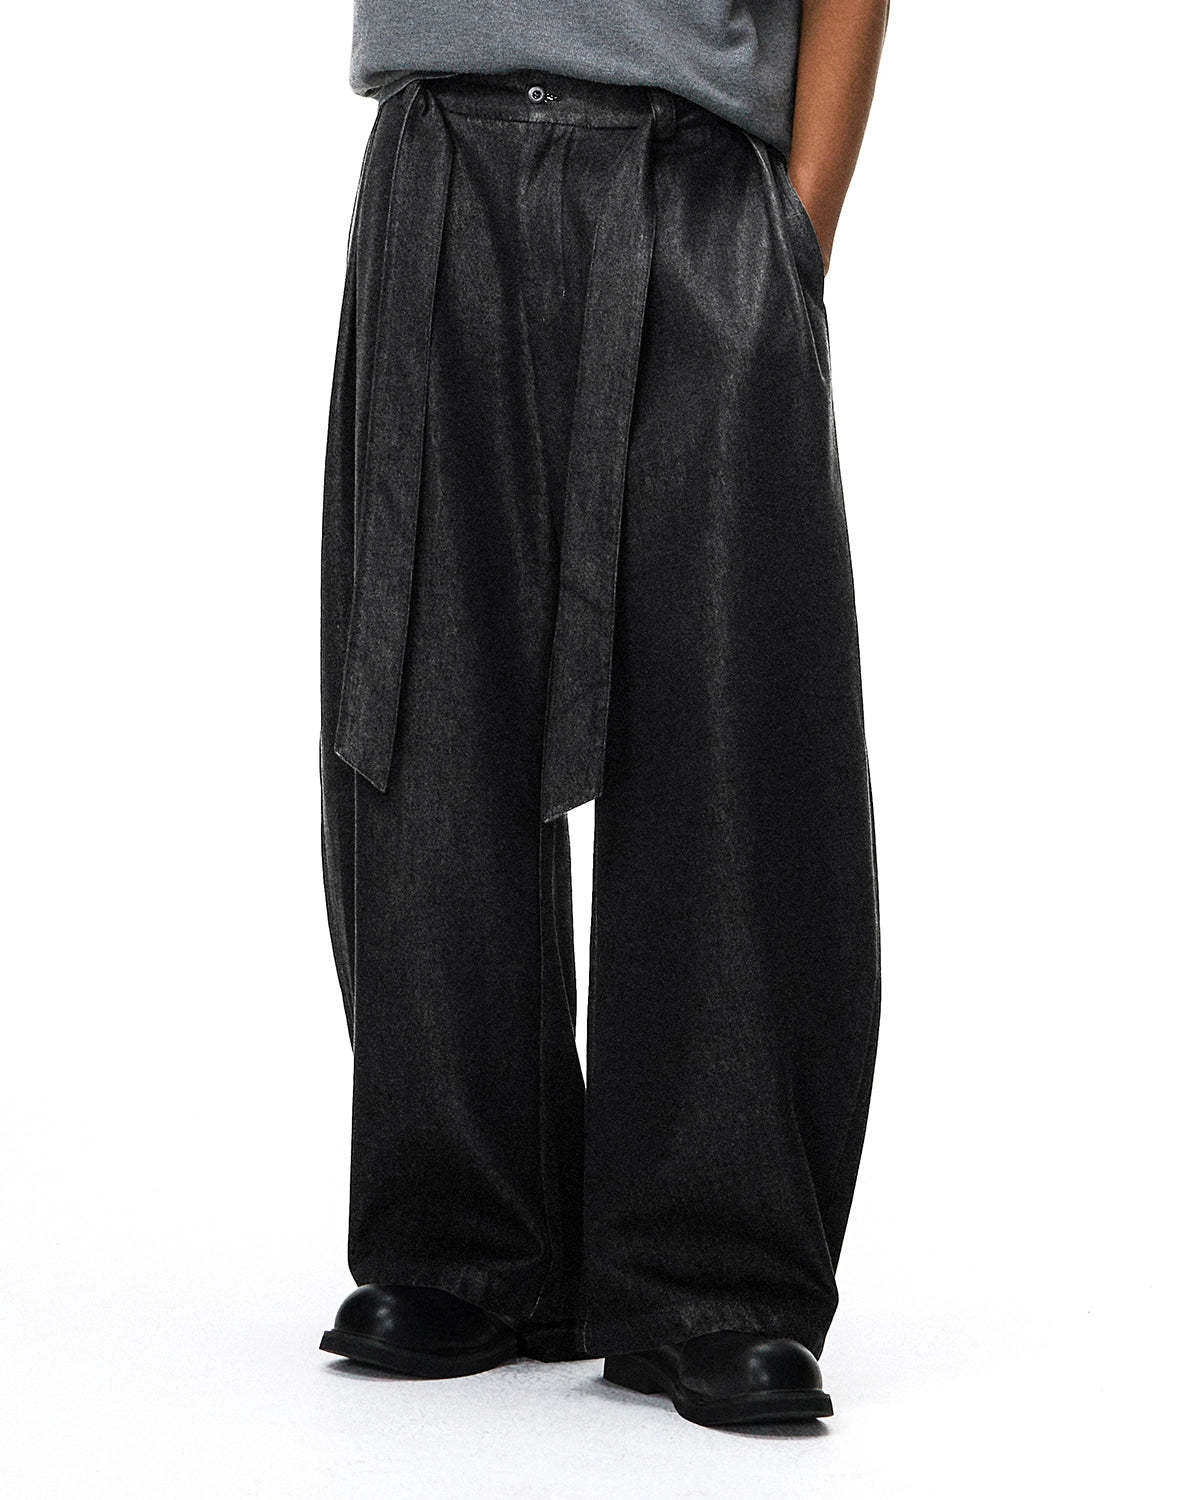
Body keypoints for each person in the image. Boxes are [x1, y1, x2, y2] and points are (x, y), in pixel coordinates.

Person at [317, 1, 889, 1429]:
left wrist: (797, 231)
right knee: (423, 711)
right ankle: (465, 1242)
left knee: (729, 725)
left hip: (696, 171)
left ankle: (717, 1273)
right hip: (440, 150)